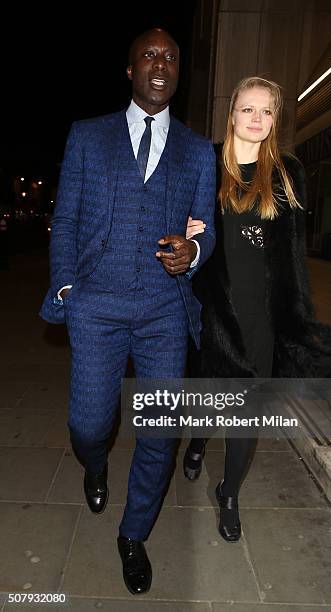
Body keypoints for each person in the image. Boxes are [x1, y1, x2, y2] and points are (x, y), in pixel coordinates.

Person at [40, 28, 216, 594]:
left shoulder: (195, 150)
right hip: (97, 306)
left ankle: (134, 533)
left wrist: (193, 253)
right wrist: (68, 290)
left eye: (170, 56)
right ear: (130, 68)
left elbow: (204, 230)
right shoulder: (87, 137)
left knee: (159, 433)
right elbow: (64, 220)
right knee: (89, 424)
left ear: (178, 70)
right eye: (149, 55)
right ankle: (94, 464)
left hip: (165, 309)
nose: (159, 63)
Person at [183, 76, 331, 543]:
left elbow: (292, 256)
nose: (256, 119)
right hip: (213, 306)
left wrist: (295, 317)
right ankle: (196, 442)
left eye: (266, 111)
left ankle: (228, 492)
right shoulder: (205, 164)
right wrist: (189, 229)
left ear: (275, 120)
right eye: (248, 109)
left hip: (262, 314)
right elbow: (172, 220)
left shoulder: (286, 172)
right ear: (231, 113)